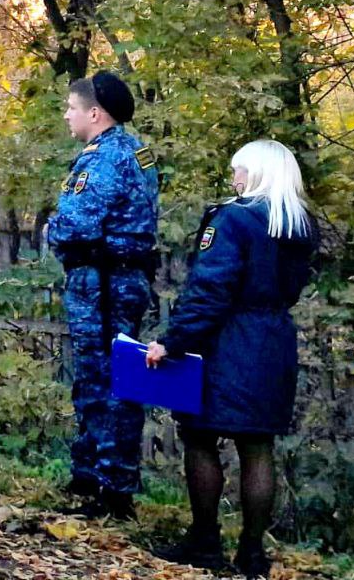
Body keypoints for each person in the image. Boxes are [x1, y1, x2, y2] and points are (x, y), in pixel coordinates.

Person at [146, 139, 316, 578]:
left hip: (229, 341)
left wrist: (174, 340)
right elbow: (292, 289)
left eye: (240, 170)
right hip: (274, 341)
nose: (234, 177)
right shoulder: (297, 225)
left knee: (200, 436)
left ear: (258, 172)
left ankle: (204, 543)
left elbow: (210, 289)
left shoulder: (234, 219)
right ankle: (252, 553)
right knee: (258, 446)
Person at [47, 72, 159, 520]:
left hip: (104, 284)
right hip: (119, 279)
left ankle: (110, 490)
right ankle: (93, 475)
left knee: (105, 380)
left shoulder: (103, 159)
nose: (67, 115)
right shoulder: (137, 151)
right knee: (111, 377)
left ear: (94, 114)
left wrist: (49, 230)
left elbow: (75, 225)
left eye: (72, 108)